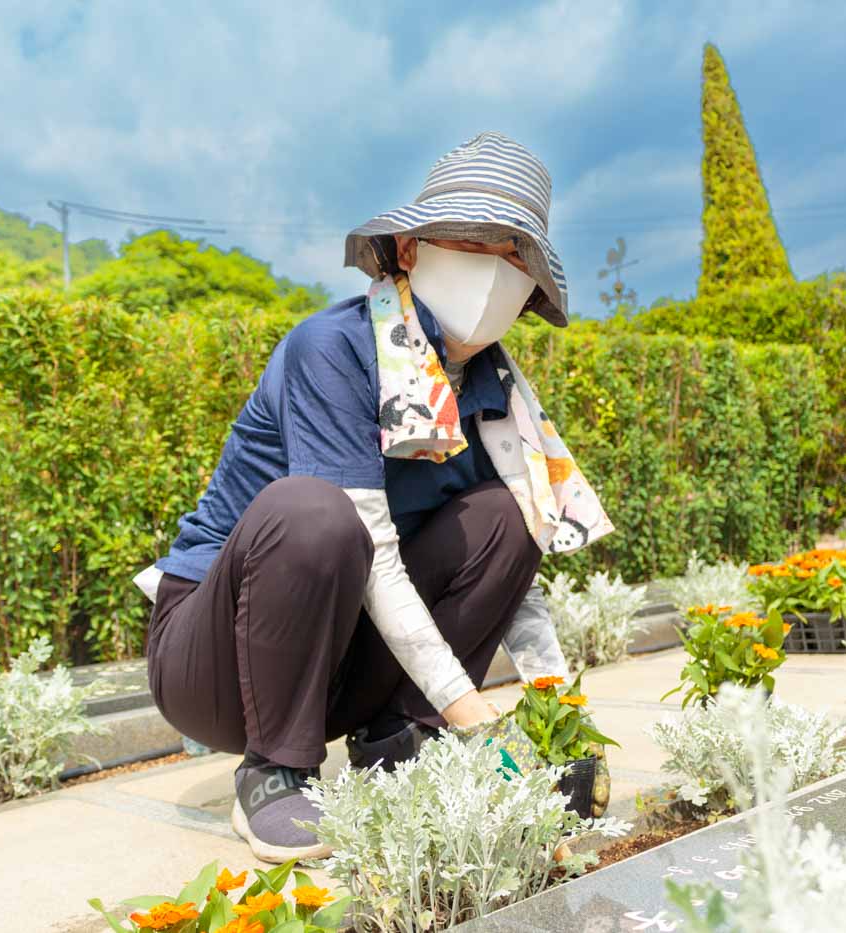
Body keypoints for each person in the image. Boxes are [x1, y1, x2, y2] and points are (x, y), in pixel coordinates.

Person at [136, 132, 614, 863]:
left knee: (513, 519)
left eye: (514, 251)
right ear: (413, 250)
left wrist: (555, 710)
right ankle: (274, 771)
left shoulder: (495, 396)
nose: (493, 265)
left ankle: (399, 744)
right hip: (217, 660)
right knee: (316, 512)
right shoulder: (332, 350)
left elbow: (515, 580)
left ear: (532, 283)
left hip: (340, 659)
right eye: (473, 237)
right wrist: (477, 717)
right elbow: (372, 551)